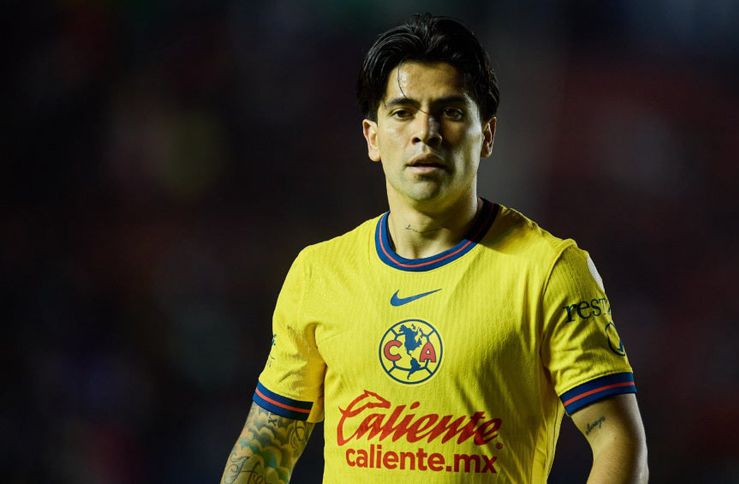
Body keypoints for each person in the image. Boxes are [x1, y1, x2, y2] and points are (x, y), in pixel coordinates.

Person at [221, 13, 648, 484]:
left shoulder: (549, 271)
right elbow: (268, 445)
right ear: (372, 138)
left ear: (486, 136)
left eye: (451, 111)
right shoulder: (318, 273)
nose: (425, 131)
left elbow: (617, 439)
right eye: (403, 112)